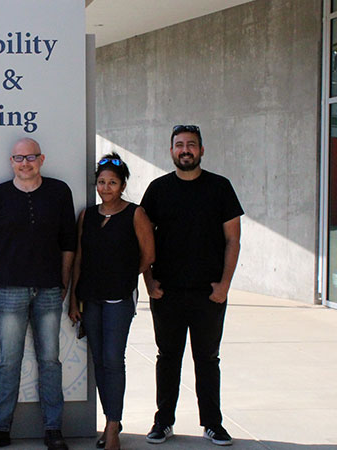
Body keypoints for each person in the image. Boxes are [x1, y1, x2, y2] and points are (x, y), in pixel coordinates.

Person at [0, 137, 76, 450]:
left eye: (30, 157)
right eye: (18, 158)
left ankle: (53, 430)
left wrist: (64, 283)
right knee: (8, 362)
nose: (24, 163)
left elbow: (69, 241)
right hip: (10, 291)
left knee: (50, 361)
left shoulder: (59, 192)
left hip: (49, 290)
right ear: (11, 162)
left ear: (41, 159)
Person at [141, 125, 243, 446]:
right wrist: (149, 281)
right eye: (180, 145)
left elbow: (233, 239)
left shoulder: (220, 187)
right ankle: (163, 422)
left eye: (191, 145)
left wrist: (224, 285)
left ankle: (213, 423)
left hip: (208, 293)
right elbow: (143, 239)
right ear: (171, 151)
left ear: (201, 150)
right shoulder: (158, 189)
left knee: (207, 359)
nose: (185, 150)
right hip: (167, 292)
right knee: (167, 357)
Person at [68, 153, 155, 450]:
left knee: (114, 360)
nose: (106, 188)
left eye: (112, 183)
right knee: (99, 362)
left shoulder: (136, 214)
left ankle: (113, 426)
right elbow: (79, 256)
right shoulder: (87, 215)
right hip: (90, 298)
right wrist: (73, 299)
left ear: (122, 185)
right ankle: (110, 420)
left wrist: (125, 274)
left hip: (119, 298)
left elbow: (149, 255)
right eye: (102, 182)